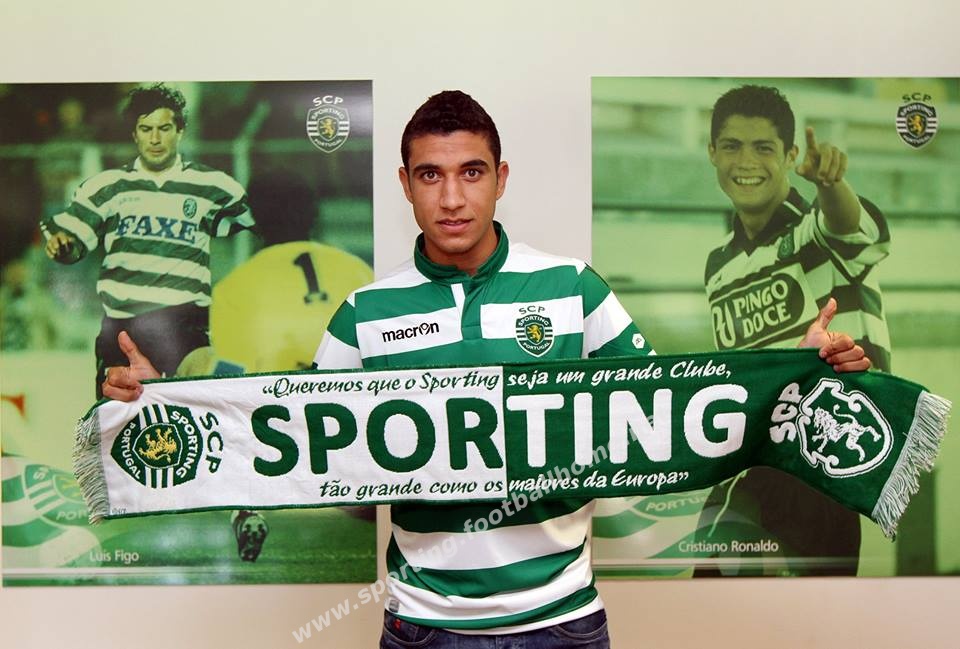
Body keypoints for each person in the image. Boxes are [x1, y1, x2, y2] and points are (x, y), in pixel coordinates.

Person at [103, 90, 869, 647]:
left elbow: (666, 409)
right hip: (422, 626)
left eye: (471, 172)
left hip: (563, 624)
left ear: (501, 177)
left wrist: (793, 370)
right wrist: (165, 407)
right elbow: (307, 442)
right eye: (430, 175)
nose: (452, 197)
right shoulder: (364, 312)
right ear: (405, 184)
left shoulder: (573, 288)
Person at [695, 85, 892, 576]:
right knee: (712, 595)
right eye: (732, 145)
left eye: (764, 147)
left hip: (822, 462)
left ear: (790, 156)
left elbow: (847, 224)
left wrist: (831, 184)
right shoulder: (717, 264)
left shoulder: (816, 229)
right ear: (713, 152)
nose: (747, 162)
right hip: (753, 463)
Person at [41, 83, 254, 397]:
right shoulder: (107, 186)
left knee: (216, 374)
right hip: (124, 326)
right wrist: (63, 245)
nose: (155, 139)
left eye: (164, 128)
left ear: (180, 131)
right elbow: (71, 243)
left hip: (183, 322)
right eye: (146, 129)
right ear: (134, 134)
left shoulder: (214, 186)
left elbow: (259, 221)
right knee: (122, 412)